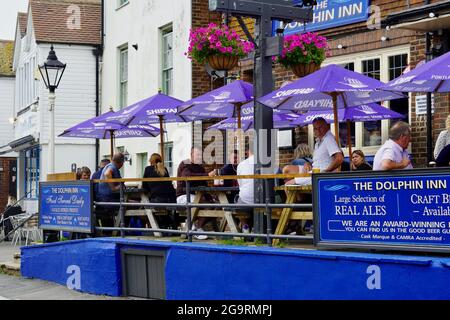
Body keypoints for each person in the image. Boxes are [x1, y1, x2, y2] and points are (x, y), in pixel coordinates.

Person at [285, 118, 344, 185]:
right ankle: (304, 194)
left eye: (320, 127)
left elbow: (339, 158)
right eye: (315, 128)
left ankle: (301, 193)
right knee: (288, 170)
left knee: (288, 183)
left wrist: (326, 171)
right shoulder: (318, 141)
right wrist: (308, 164)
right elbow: (319, 161)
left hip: (320, 175)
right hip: (314, 171)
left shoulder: (329, 139)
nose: (318, 130)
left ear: (326, 126)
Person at [176, 147, 211, 240]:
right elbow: (187, 176)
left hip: (195, 196)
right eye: (197, 155)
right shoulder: (185, 163)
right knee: (205, 204)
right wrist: (207, 175)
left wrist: (211, 197)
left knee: (214, 205)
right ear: (191, 155)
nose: (200, 157)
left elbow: (204, 185)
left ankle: (195, 226)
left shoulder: (200, 168)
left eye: (201, 155)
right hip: (183, 196)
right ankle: (196, 229)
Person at [143, 153, 177, 230]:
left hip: (158, 201)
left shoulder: (148, 169)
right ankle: (167, 224)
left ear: (151, 161)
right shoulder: (164, 169)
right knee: (162, 210)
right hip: (171, 200)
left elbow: (144, 186)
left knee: (145, 206)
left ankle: (159, 227)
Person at [235, 149, 255, 232]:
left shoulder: (241, 164)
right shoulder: (268, 163)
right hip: (264, 201)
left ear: (247, 151)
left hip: (246, 201)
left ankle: (245, 226)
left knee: (238, 200)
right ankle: (254, 228)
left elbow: (240, 184)